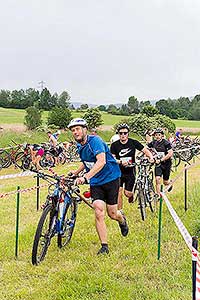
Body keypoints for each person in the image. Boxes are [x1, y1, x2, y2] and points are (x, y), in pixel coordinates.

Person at [68, 118, 129, 255]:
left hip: (111, 178)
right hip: (96, 182)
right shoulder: (80, 145)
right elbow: (87, 161)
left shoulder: (95, 141)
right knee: (98, 211)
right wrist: (76, 173)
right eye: (73, 130)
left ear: (85, 129)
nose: (75, 132)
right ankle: (104, 246)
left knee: (112, 213)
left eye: (78, 129)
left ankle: (122, 219)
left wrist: (85, 177)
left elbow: (101, 161)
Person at [110, 123, 154, 210]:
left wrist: (151, 157)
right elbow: (112, 158)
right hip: (118, 171)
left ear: (128, 133)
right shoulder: (114, 145)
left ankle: (131, 195)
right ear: (118, 134)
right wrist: (120, 162)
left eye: (125, 133)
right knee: (119, 192)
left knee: (127, 193)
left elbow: (145, 150)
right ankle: (120, 212)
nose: (123, 135)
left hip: (130, 172)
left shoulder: (133, 142)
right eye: (121, 133)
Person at [147, 128, 173, 194]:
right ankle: (158, 195)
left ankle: (170, 183)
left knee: (165, 182)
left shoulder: (166, 143)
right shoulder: (153, 142)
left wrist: (161, 160)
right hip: (158, 164)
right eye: (156, 135)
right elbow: (146, 149)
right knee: (157, 179)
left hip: (166, 163)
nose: (157, 136)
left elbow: (170, 153)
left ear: (162, 135)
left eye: (159, 135)